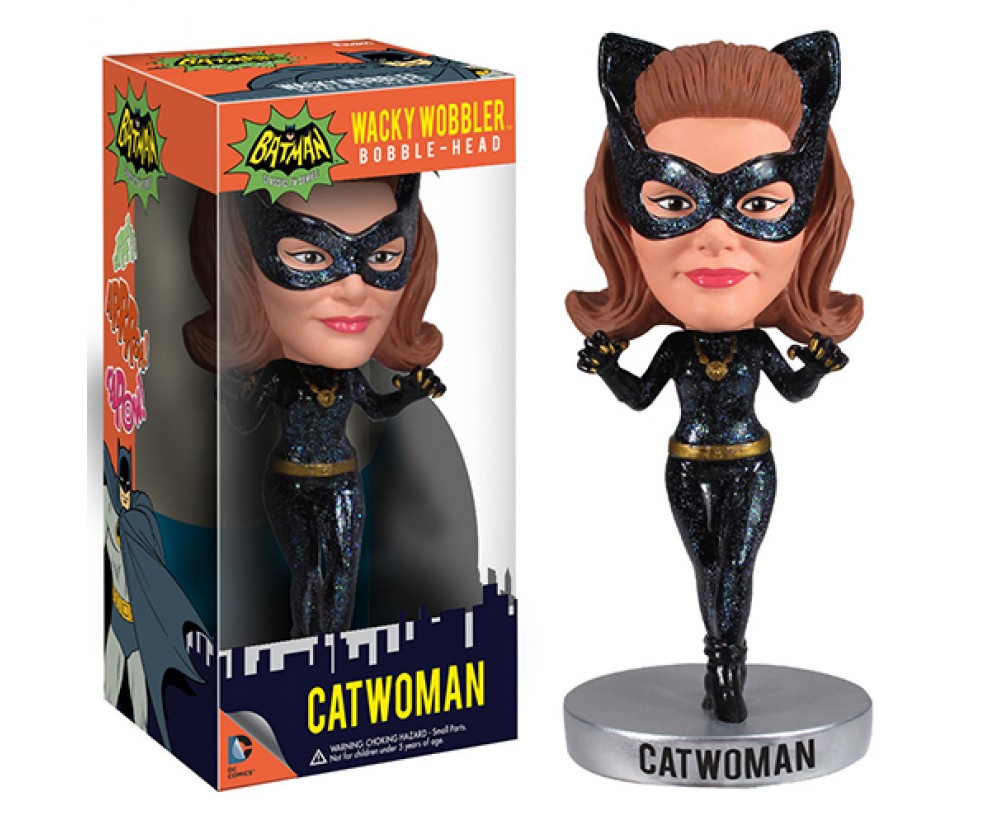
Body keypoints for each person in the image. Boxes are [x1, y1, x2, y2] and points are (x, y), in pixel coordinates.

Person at [567, 32, 862, 723]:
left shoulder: (757, 346)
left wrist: (816, 368)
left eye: (759, 204)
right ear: (623, 216)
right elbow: (640, 395)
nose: (716, 238)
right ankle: (720, 657)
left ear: (811, 216)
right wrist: (608, 368)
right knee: (708, 565)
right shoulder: (677, 349)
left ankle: (726, 663)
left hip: (750, 462)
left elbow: (792, 390)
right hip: (686, 462)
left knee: (734, 566)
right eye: (675, 203)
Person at [185, 175, 445, 638]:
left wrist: (412, 391)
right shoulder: (281, 375)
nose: (353, 290)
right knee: (308, 571)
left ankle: (335, 650)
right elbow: (245, 420)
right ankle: (307, 647)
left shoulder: (347, 377)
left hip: (341, 480)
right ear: (241, 261)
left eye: (382, 256)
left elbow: (377, 407)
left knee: (343, 569)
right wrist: (229, 395)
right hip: (289, 481)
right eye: (308, 257)